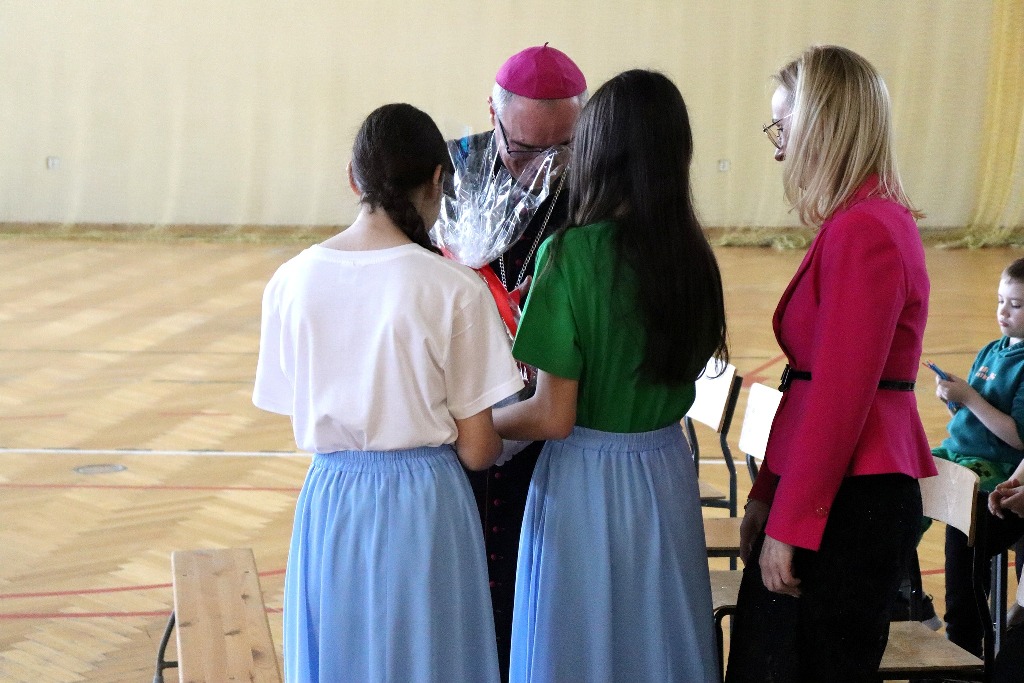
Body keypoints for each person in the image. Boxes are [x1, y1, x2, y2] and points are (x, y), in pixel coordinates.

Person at [252, 103, 524, 682]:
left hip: (333, 501)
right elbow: (479, 450)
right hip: (424, 505)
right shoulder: (454, 288)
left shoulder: (290, 280)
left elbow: (294, 400)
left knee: (342, 657)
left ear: (353, 180)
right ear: (438, 180)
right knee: (428, 659)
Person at [493, 69, 729, 683]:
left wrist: (474, 424)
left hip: (586, 480)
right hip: (665, 471)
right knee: (656, 638)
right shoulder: (694, 257)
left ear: (597, 149)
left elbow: (551, 415)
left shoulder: (570, 254)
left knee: (580, 642)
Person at [725, 45, 937, 682]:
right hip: (832, 490)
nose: (779, 150)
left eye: (783, 127)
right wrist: (768, 493)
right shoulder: (856, 222)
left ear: (823, 126)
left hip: (852, 497)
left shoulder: (866, 229)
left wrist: (792, 521)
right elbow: (809, 388)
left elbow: (840, 400)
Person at [448, 43, 587, 680]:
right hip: (463, 423)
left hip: (553, 429)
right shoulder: (449, 173)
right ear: (492, 112)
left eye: (562, 148)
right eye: (526, 149)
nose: (543, 169)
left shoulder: (593, 185)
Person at [932, 257, 1024, 657]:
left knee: (964, 523)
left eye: (1016, 305)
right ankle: (907, 592)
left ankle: (965, 645)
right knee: (902, 481)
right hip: (965, 456)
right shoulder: (991, 350)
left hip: (1000, 471)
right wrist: (955, 401)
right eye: (1001, 301)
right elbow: (974, 418)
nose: (1004, 311)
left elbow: (1017, 437)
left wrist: (969, 398)